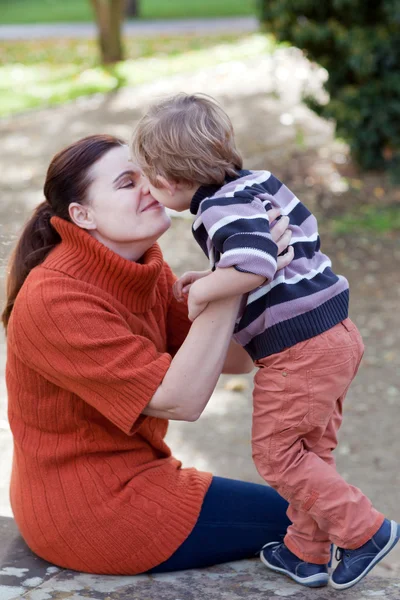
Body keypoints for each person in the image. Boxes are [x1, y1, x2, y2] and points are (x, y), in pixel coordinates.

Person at [132, 93, 400, 590]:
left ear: (168, 180)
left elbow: (256, 264)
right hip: (336, 334)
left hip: (297, 350)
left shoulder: (213, 209)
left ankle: (365, 531)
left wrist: (207, 290)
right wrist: (212, 273)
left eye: (147, 177)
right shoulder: (258, 185)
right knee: (311, 451)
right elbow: (274, 247)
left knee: (277, 455)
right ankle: (307, 551)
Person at [2, 134, 296, 576]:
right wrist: (234, 279)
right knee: (317, 517)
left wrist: (252, 271)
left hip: (139, 478)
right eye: (126, 182)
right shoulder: (55, 301)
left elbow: (236, 361)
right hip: (90, 513)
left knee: (319, 506)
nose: (150, 186)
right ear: (83, 215)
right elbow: (182, 400)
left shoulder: (144, 267)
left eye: (147, 175)